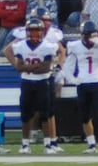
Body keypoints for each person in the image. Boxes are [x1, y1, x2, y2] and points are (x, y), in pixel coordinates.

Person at [5, 17, 63, 154]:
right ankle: (25, 144)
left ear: (42, 31)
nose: (34, 33)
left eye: (37, 30)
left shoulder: (48, 46)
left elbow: (46, 67)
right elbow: (19, 67)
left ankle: (48, 144)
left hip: (43, 82)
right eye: (31, 30)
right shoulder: (20, 45)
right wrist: (36, 67)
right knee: (26, 115)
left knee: (45, 115)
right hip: (27, 82)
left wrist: (29, 67)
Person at [64, 19, 98, 153]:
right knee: (85, 117)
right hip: (83, 84)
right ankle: (91, 145)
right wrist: (72, 79)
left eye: (92, 35)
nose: (89, 38)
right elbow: (68, 65)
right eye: (87, 35)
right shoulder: (75, 46)